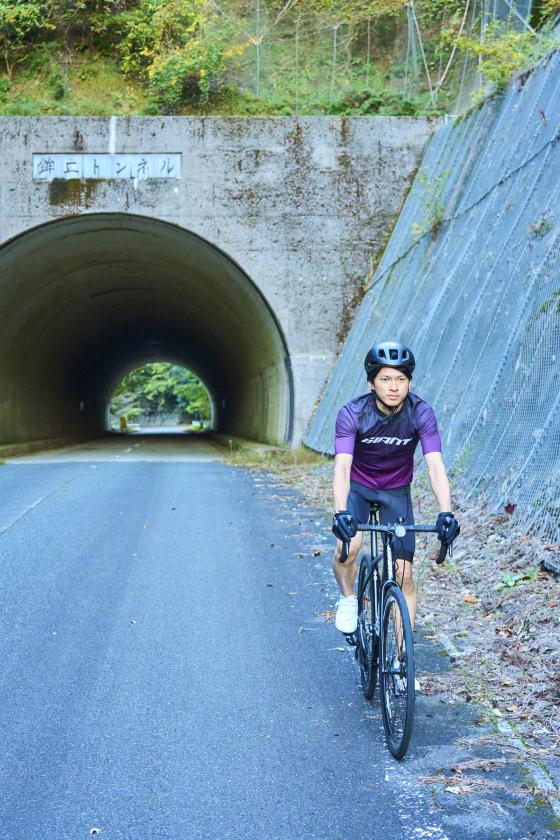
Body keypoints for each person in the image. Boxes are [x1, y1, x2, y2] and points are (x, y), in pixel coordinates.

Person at [331, 340, 459, 636]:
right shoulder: (353, 413)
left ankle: (402, 657)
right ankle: (348, 598)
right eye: (385, 379)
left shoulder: (421, 413)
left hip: (396, 492)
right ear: (371, 383)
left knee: (404, 575)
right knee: (348, 548)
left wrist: (446, 512)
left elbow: (435, 465)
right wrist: (340, 512)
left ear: (409, 382)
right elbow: (342, 467)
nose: (393, 387)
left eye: (401, 379)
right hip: (359, 488)